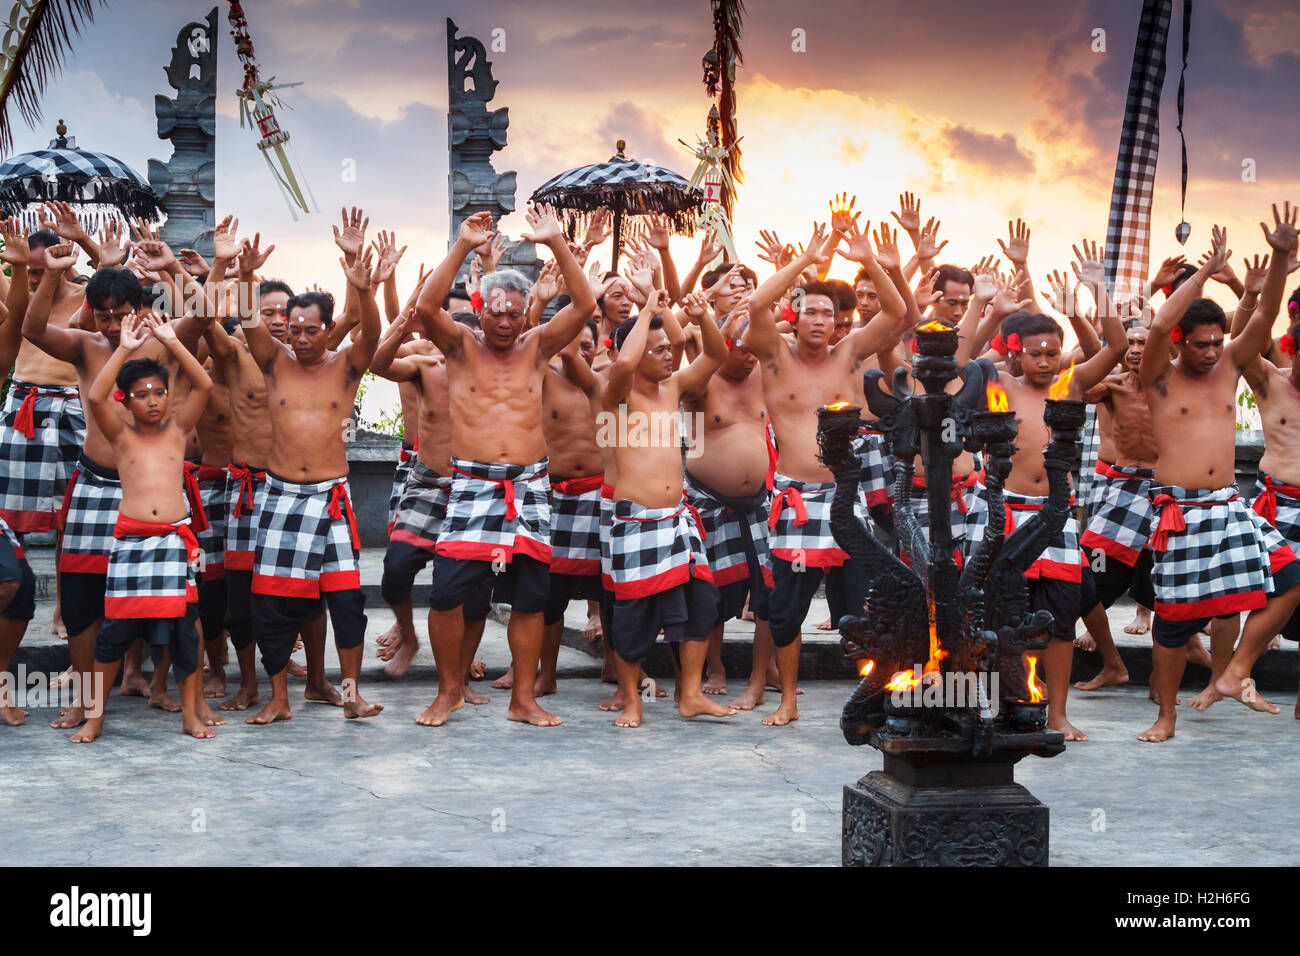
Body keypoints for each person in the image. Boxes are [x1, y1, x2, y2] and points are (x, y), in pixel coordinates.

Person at [412, 205, 595, 728]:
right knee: (448, 592)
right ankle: (449, 691)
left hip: (530, 487)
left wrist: (556, 242)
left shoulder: (537, 348)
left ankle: (523, 698)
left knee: (531, 600)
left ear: (524, 313)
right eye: (496, 312)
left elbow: (583, 304)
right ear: (481, 309)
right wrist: (464, 245)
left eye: (515, 313)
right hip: (472, 484)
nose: (506, 322)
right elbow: (427, 306)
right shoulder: (459, 347)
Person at [23, 240, 206, 728]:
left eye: (119, 313)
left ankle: (172, 694)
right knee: (83, 600)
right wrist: (52, 273)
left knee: (175, 600)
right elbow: (32, 329)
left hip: (153, 493)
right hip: (92, 484)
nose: (108, 323)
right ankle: (86, 700)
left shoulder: (166, 343)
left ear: (141, 308)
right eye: (101, 314)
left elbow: (207, 315)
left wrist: (172, 270)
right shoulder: (87, 346)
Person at [1138, 213, 1300, 741]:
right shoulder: (1158, 374)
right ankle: (1166, 715)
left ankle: (1234, 673)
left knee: (1290, 579)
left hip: (1230, 505)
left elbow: (1269, 311)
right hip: (1179, 510)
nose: (1211, 351)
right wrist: (1202, 273)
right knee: (1174, 621)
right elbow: (1159, 325)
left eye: (1216, 342)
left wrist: (1278, 258)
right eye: (1201, 343)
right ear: (1183, 341)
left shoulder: (1232, 362)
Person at [744, 207, 908, 719]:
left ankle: (874, 697)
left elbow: (898, 314)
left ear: (838, 320)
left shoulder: (852, 353)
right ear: (795, 314)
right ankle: (789, 700)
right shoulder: (774, 354)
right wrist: (805, 262)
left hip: (846, 498)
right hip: (794, 500)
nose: (819, 321)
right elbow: (755, 303)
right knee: (786, 610)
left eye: (826, 314)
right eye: (809, 312)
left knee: (859, 607)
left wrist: (870, 262)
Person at [964, 292, 1127, 741]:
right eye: (1034, 353)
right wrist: (990, 310)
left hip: (1055, 516)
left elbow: (1115, 349)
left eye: (1053, 353)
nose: (1045, 362)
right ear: (1014, 350)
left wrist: (1087, 303)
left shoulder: (1070, 386)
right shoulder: (996, 383)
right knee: (994, 616)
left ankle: (1056, 713)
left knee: (1059, 619)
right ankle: (998, 707)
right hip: (1001, 511)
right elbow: (962, 361)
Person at [243, 235, 386, 725]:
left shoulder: (346, 367)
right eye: (295, 330)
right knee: (273, 604)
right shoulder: (273, 362)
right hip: (281, 496)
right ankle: (280, 698)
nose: (300, 339)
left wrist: (363, 289)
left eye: (311, 331)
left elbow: (372, 334)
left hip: (331, 499)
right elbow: (247, 323)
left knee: (347, 601)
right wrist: (243, 274)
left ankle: (350, 695)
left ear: (328, 330)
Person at [70, 312, 214, 742]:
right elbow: (96, 398)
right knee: (114, 635)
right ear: (126, 401)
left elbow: (203, 385)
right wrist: (125, 349)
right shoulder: (120, 434)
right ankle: (95, 718)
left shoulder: (178, 428)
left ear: (169, 397)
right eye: (141, 395)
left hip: (174, 543)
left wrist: (171, 340)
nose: (152, 401)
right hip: (132, 544)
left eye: (158, 393)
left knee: (185, 633)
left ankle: (190, 715)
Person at [602, 292, 732, 727]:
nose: (667, 357)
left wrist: (701, 316)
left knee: (702, 605)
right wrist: (646, 311)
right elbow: (621, 365)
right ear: (637, 353)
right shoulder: (618, 397)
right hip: (636, 521)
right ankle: (633, 701)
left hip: (678, 521)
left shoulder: (672, 387)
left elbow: (716, 353)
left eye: (667, 350)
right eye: (657, 351)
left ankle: (690, 694)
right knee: (633, 617)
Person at [371, 310, 492, 692]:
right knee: (395, 569)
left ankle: (458, 675)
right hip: (426, 485)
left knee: (473, 593)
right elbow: (377, 364)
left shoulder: (496, 374)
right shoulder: (425, 365)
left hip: (476, 490)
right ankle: (408, 635)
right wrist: (400, 327)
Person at [680, 301, 785, 718]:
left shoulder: (766, 373)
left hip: (760, 500)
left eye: (755, 347)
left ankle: (763, 673)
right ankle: (716, 666)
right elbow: (680, 333)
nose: (750, 355)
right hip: (708, 498)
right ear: (722, 342)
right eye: (742, 347)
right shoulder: (700, 378)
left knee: (768, 592)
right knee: (714, 592)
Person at [1243, 306, 1300, 716]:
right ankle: (1234, 674)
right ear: (1292, 349)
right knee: (1276, 591)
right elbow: (1243, 345)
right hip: (1277, 503)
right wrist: (1248, 293)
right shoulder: (1269, 381)